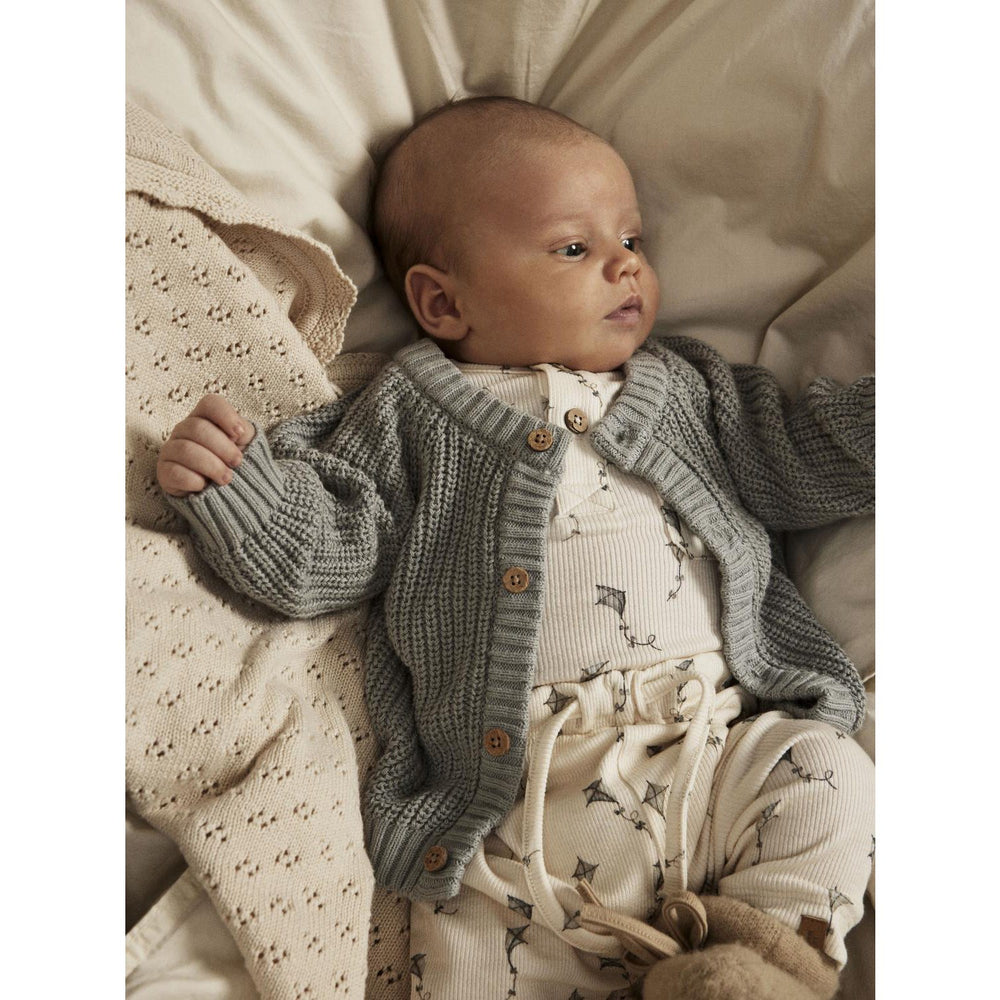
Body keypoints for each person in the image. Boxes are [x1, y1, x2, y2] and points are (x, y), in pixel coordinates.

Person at [157, 97, 875, 1000]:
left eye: (632, 240)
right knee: (463, 955)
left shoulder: (686, 392)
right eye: (574, 247)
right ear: (443, 301)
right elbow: (334, 549)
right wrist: (241, 495)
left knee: (828, 774)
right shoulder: (409, 413)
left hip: (709, 747)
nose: (624, 263)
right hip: (511, 801)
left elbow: (799, 457)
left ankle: (759, 973)